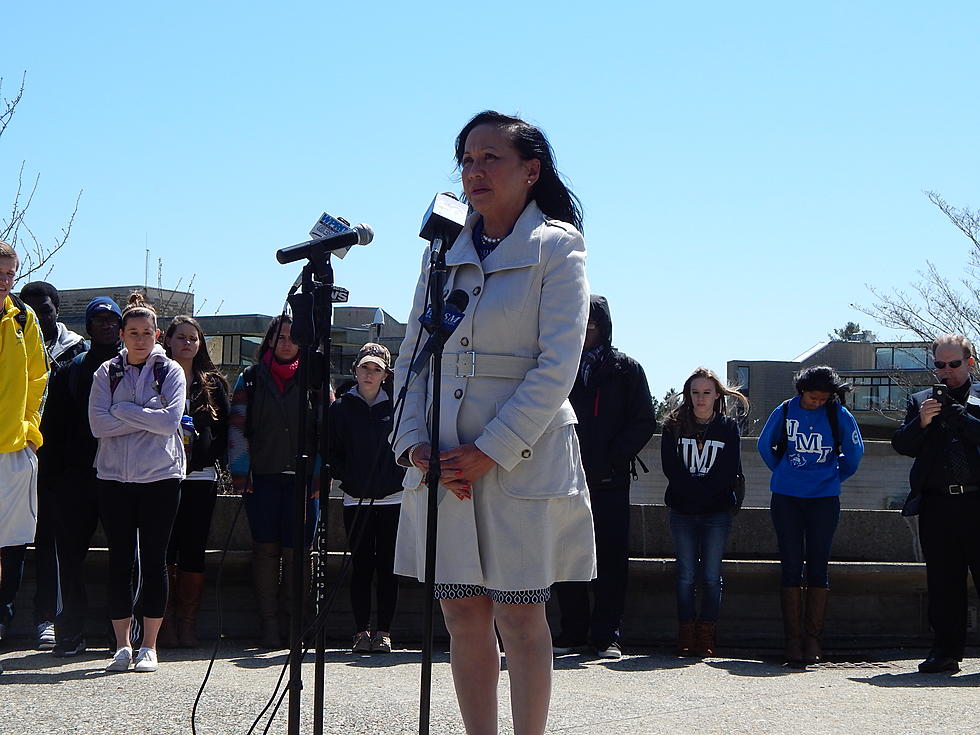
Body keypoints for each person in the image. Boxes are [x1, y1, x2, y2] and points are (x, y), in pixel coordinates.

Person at [391, 111, 595, 735]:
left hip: (521, 459)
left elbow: (557, 365)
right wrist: (413, 443)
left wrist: (493, 448)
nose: (475, 172)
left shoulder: (557, 246)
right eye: (467, 160)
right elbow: (411, 356)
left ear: (531, 171)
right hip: (443, 454)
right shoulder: (442, 252)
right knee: (461, 615)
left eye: (490, 158)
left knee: (521, 617)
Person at [551, 295, 656, 660]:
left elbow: (644, 421)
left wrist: (612, 457)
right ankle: (572, 631)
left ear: (603, 328)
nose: (584, 333)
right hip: (563, 477)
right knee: (565, 558)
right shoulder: (556, 365)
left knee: (611, 559)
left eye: (590, 326)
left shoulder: (626, 369)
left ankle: (607, 634)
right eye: (579, 324)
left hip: (609, 481)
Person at [89, 293, 186, 673]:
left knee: (155, 559)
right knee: (120, 561)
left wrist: (124, 411)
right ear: (122, 335)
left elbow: (169, 422)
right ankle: (121, 645)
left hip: (160, 476)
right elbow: (98, 425)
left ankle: (149, 644)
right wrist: (147, 412)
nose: (141, 339)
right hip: (113, 477)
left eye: (147, 332)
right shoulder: (106, 373)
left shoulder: (170, 371)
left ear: (157, 334)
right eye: (133, 332)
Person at [757, 365, 864, 666]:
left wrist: (832, 477)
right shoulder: (785, 410)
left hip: (824, 498)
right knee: (790, 562)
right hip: (787, 496)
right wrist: (783, 471)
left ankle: (813, 638)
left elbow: (854, 455)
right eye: (814, 397)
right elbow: (765, 446)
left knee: (819, 562)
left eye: (824, 398)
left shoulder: (839, 414)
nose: (818, 403)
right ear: (802, 390)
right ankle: (792, 639)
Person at [228, 314, 320, 649]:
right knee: (265, 553)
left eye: (293, 338)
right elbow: (236, 429)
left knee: (300, 554)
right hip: (261, 479)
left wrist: (319, 477)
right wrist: (241, 472)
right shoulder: (249, 379)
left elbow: (326, 434)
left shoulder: (315, 378)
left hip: (303, 483)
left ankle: (297, 624)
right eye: (279, 337)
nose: (286, 343)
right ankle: (268, 625)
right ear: (269, 340)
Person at [0, 280, 82, 650]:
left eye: (46, 309)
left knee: (38, 542)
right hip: (17, 450)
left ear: (57, 310)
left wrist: (32, 430)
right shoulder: (14, 324)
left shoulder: (74, 350)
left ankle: (42, 617)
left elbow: (44, 386)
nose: (40, 315)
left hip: (47, 460)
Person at [892, 333, 980, 674]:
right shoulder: (920, 401)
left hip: (976, 500)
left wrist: (960, 416)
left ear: (969, 362)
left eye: (954, 364)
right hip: (938, 504)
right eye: (940, 365)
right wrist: (922, 422)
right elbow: (902, 444)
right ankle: (945, 651)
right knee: (944, 582)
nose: (947, 372)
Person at [41, 296, 122, 656]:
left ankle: (119, 633)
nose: (106, 325)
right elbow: (52, 428)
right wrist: (52, 479)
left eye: (111, 320)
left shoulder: (136, 366)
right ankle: (70, 631)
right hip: (75, 478)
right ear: (88, 327)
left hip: (123, 476)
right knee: (68, 557)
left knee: (124, 558)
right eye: (99, 320)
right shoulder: (69, 369)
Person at [661, 367, 748, 657]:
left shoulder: (727, 428)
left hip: (716, 512)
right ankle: (686, 631)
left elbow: (728, 470)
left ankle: (707, 632)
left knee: (711, 575)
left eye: (706, 393)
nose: (700, 399)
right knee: (685, 574)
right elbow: (671, 468)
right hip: (682, 510)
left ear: (716, 396)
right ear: (688, 395)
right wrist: (691, 492)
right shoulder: (673, 425)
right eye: (695, 393)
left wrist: (706, 493)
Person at [327, 343, 405, 654]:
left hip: (393, 498)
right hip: (355, 498)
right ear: (355, 370)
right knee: (360, 567)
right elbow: (333, 450)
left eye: (376, 369)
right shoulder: (341, 407)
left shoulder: (399, 407)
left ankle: (384, 632)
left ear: (386, 374)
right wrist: (348, 476)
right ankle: (360, 632)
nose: (369, 374)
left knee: (388, 567)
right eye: (365, 368)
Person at [157, 315, 229, 648]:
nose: (187, 343)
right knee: (164, 547)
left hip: (201, 476)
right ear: (168, 340)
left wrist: (207, 450)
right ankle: (164, 621)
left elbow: (226, 431)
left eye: (193, 338)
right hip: (161, 474)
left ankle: (187, 623)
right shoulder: (154, 375)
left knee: (194, 547)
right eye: (181, 337)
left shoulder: (212, 383)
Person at [0, 243, 49, 666]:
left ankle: (3, 618)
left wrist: (30, 429)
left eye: (10, 273)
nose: (5, 279)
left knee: (13, 544)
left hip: (13, 447)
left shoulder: (24, 317)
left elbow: (38, 377)